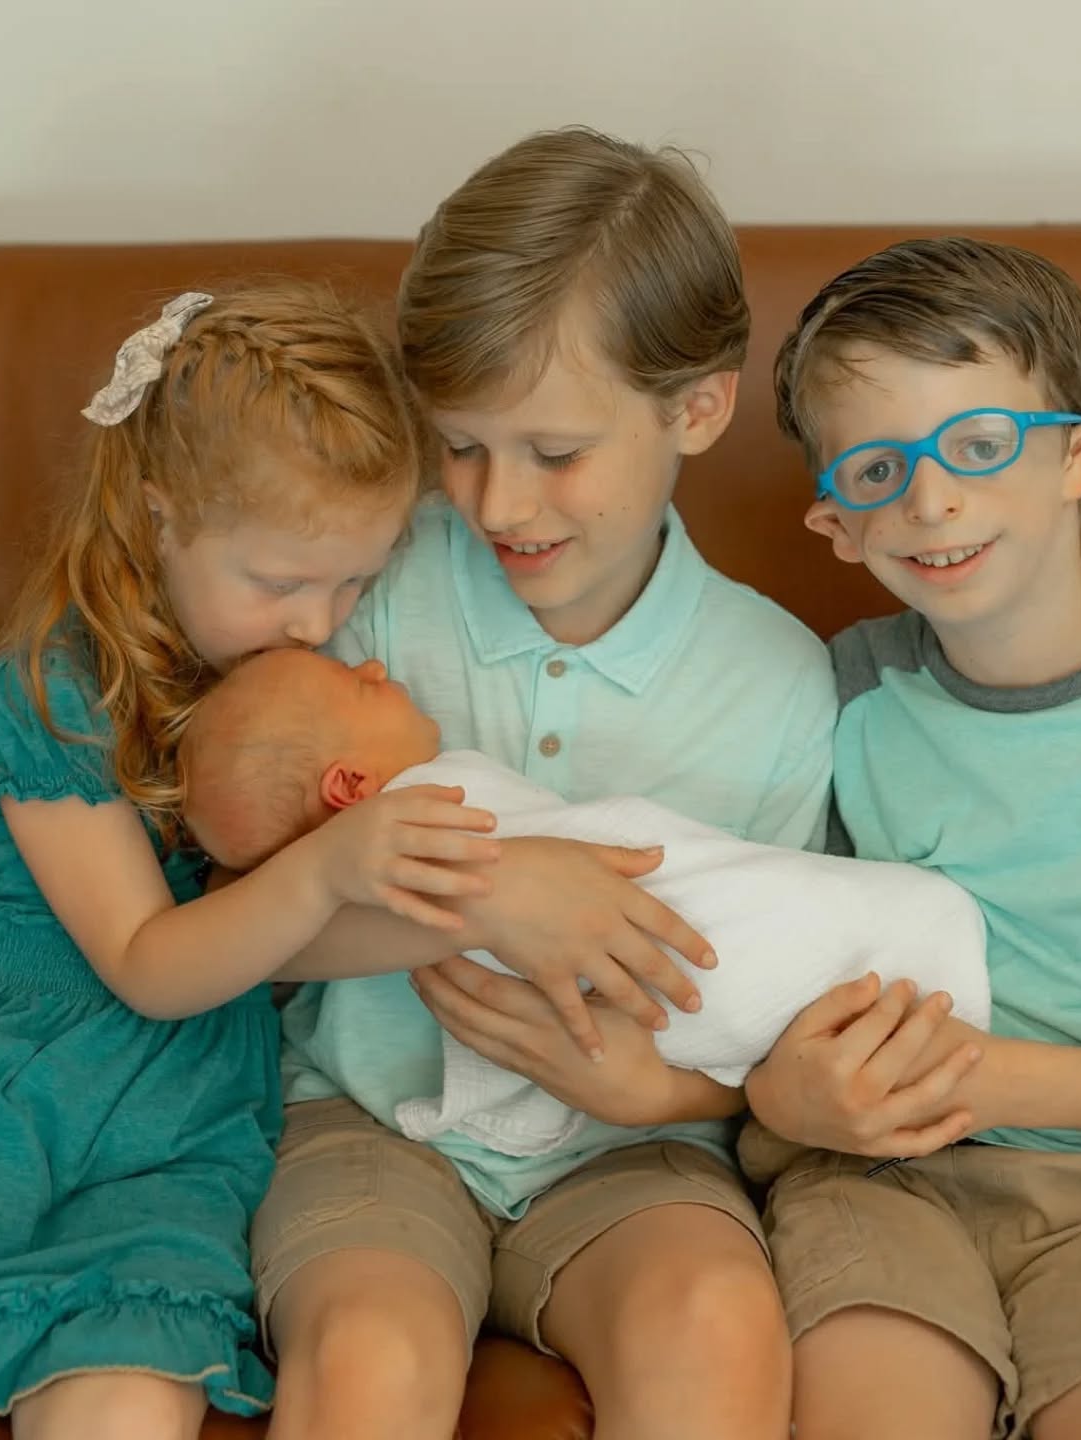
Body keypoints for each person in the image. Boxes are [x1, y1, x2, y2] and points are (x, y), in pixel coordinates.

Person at [0, 280, 501, 1440]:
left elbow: (303, 940)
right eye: (280, 583)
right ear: (159, 517)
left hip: (174, 1135)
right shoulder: (49, 694)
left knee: (128, 1396)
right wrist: (328, 868)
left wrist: (500, 904)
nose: (320, 623)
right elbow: (150, 964)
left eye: (356, 581)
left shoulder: (308, 695)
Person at [253, 126, 841, 1440]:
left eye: (556, 451)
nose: (498, 503)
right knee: (367, 1356)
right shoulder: (369, 590)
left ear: (696, 410)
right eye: (460, 446)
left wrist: (661, 1096)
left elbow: (771, 1020)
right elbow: (248, 926)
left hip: (634, 1150)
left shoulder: (780, 689)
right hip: (368, 1123)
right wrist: (482, 897)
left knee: (716, 1325)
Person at [741, 236, 1081, 1440]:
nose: (930, 503)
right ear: (837, 522)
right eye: (878, 469)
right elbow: (757, 970)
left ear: (1080, 455)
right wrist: (781, 1103)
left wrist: (1002, 1079)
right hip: (882, 1181)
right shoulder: (834, 696)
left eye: (978, 446)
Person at [180, 644, 990, 1157]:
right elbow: (248, 925)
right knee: (758, 950)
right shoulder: (421, 811)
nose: (373, 667)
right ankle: (900, 949)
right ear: (351, 786)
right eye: (353, 687)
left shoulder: (774, 673)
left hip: (661, 1003)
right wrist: (491, 893)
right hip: (648, 988)